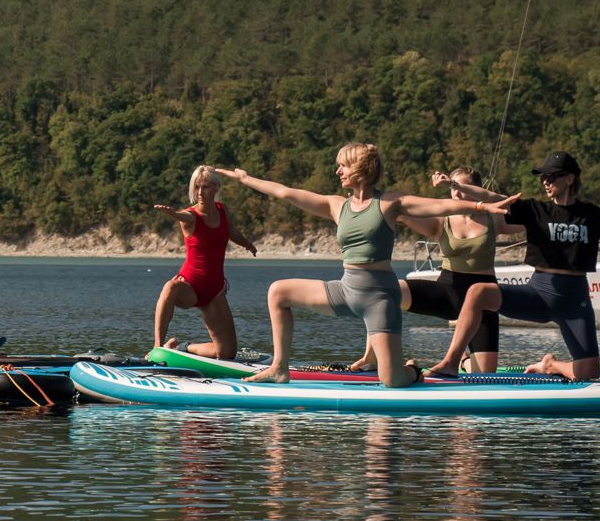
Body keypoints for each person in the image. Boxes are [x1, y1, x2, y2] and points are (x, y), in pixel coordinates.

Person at [215, 147, 514, 386]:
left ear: (359, 169)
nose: (337, 171)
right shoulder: (336, 205)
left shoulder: (390, 203)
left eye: (342, 166)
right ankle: (279, 368)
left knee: (393, 381)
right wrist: (245, 179)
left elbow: (443, 205)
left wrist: (481, 207)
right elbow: (285, 192)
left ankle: (412, 370)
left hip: (379, 299)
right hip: (346, 290)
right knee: (278, 292)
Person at [429, 150, 600, 381]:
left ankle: (550, 364)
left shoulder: (591, 215)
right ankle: (452, 363)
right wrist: (453, 184)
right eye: (543, 177)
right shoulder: (535, 210)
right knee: (478, 291)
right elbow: (491, 195)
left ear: (570, 179)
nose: (546, 181)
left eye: (552, 176)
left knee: (589, 375)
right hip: (538, 294)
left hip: (573, 303)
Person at [348, 166, 508, 377]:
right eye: (453, 189)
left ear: (478, 189)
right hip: (448, 290)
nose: (457, 193)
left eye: (462, 187)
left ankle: (464, 362)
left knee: (485, 375)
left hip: (483, 298)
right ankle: (372, 356)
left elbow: (517, 207)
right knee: (386, 292)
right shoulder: (442, 220)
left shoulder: (493, 218)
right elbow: (401, 214)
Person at [150, 166, 257, 358]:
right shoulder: (190, 216)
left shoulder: (221, 210)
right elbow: (184, 216)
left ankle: (181, 348)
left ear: (216, 187)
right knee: (170, 288)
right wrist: (173, 213)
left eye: (206, 187)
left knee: (226, 353)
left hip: (215, 290)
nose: (200, 192)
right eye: (197, 187)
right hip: (190, 286)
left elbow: (231, 232)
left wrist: (247, 244)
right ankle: (157, 348)